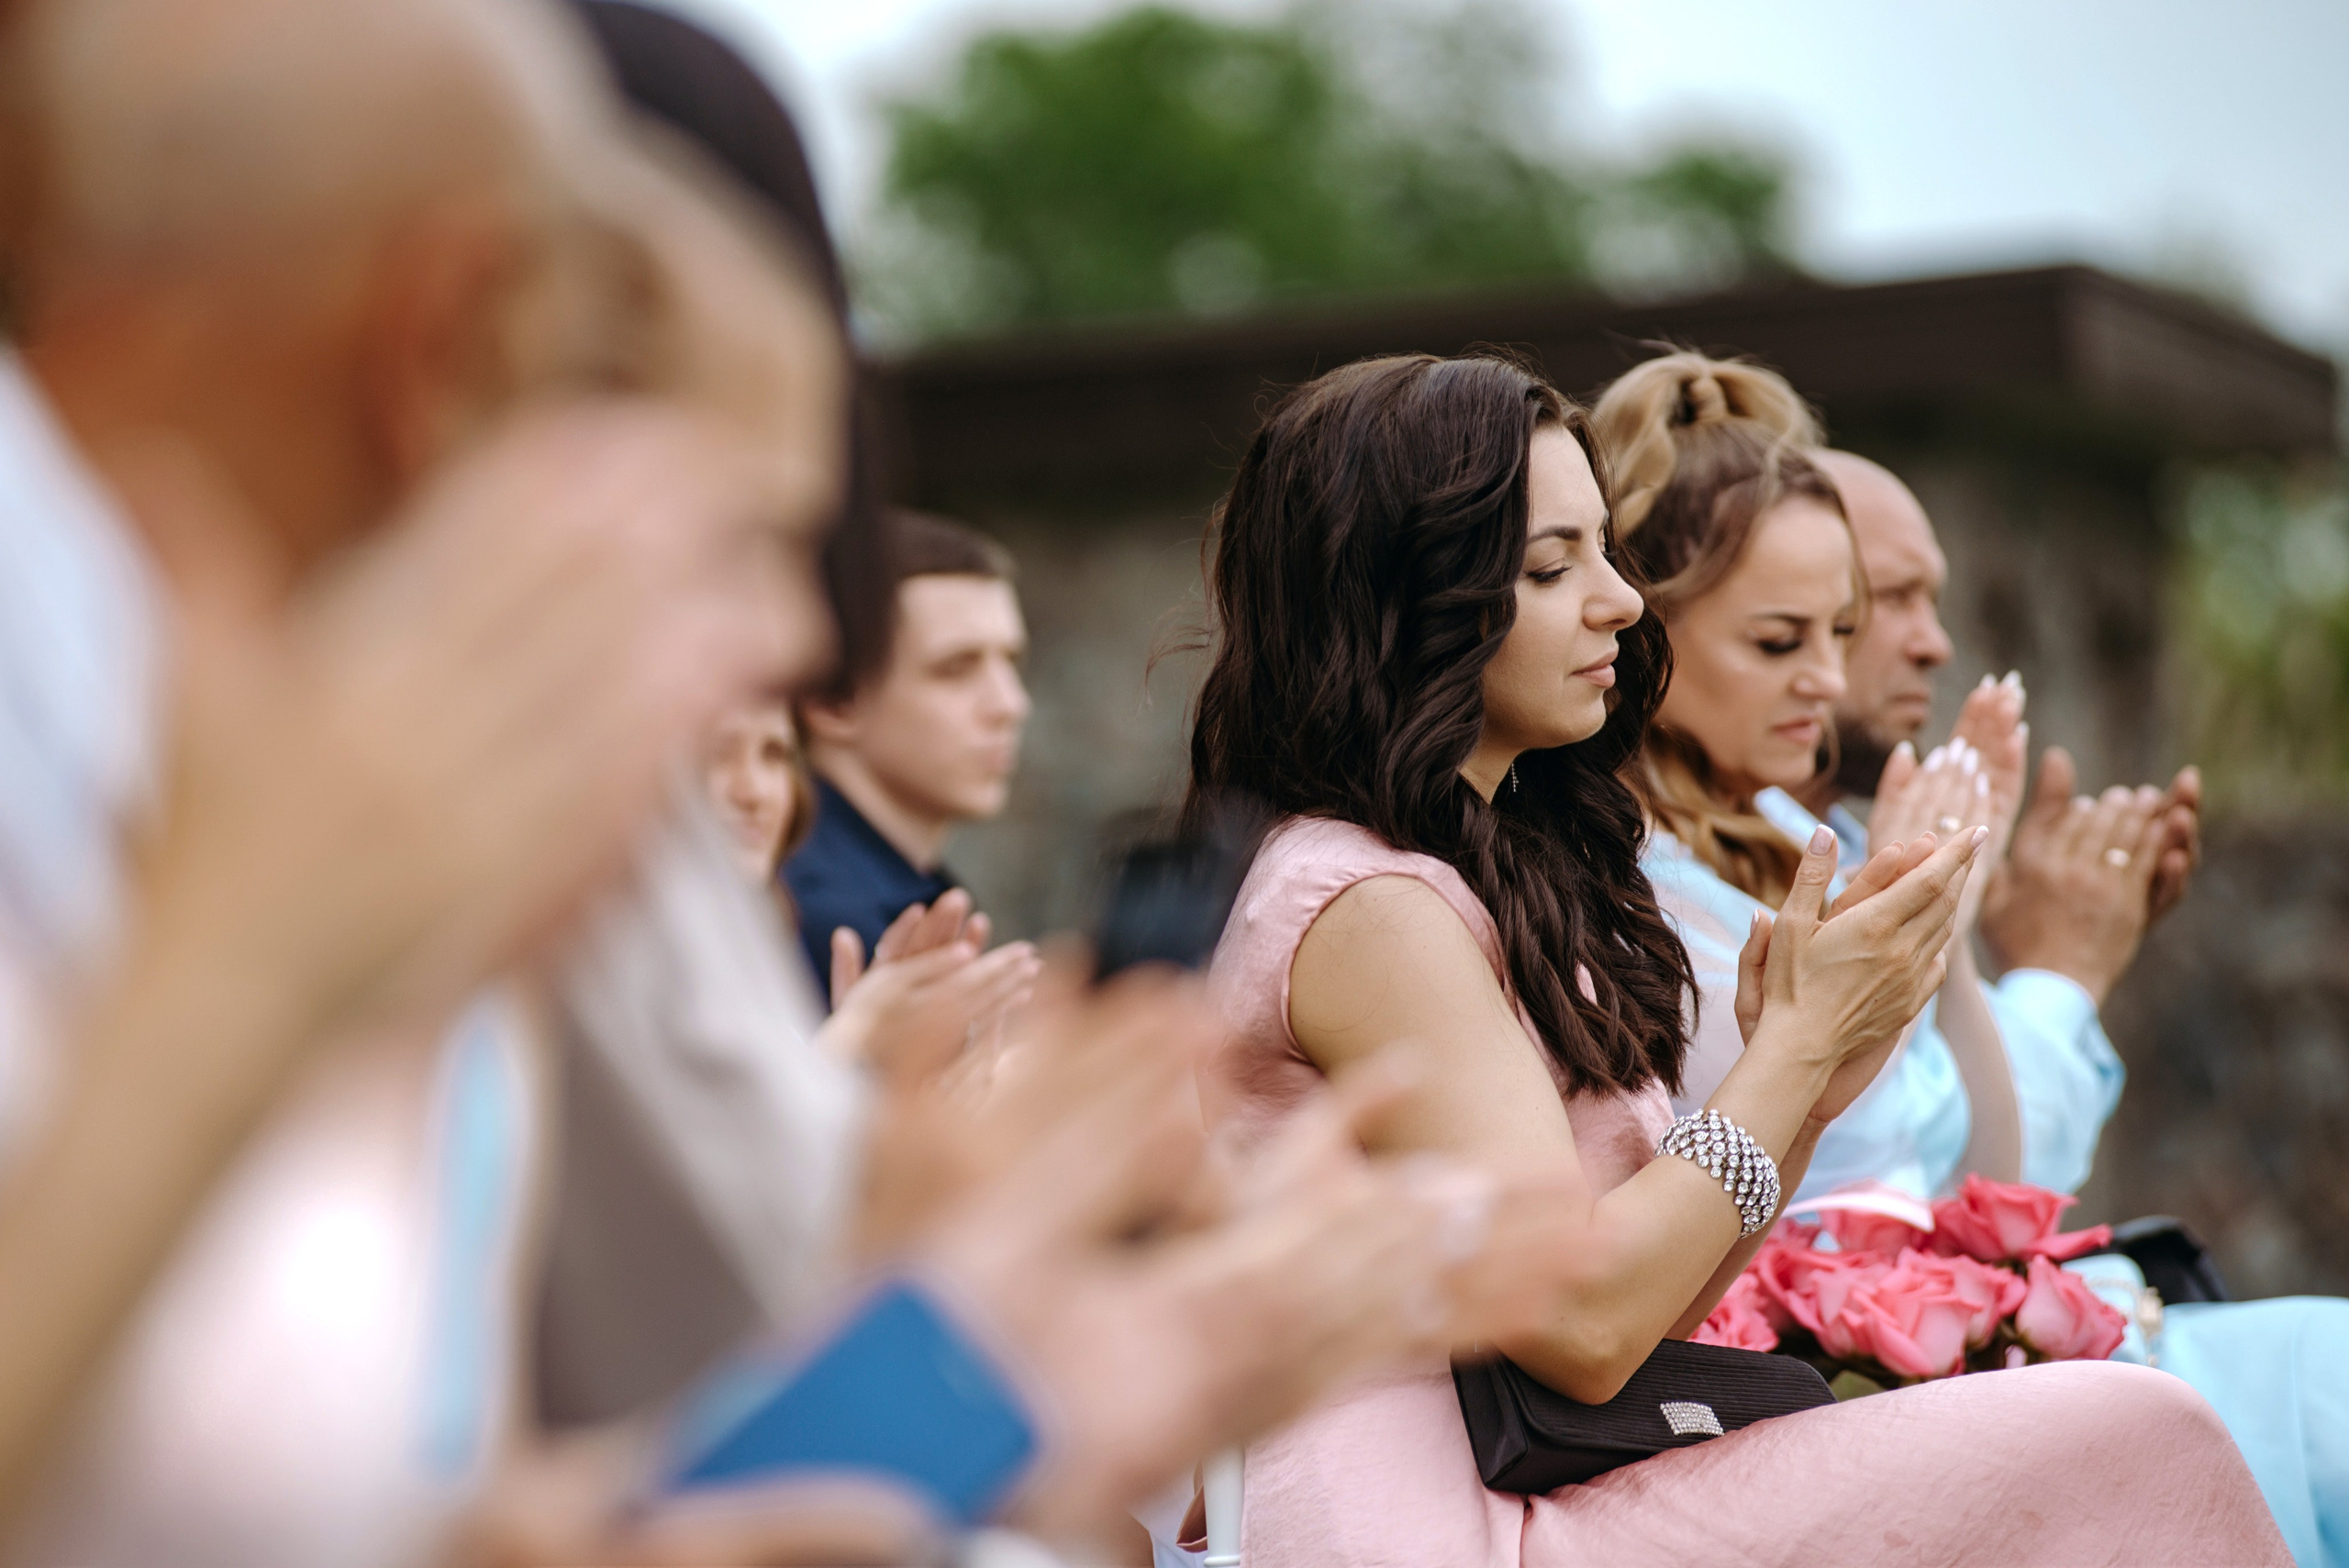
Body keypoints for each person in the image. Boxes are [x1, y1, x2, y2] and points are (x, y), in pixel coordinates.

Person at [1184, 348, 2282, 1565]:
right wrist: (1797, 1047)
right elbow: (1589, 1324)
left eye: (1605, 549)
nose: (1620, 601)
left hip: (1552, 1474)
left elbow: (1658, 1303)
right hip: (1435, 1525)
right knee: (2136, 1426)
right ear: (1402, 601)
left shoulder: (1484, 867)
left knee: (2132, 1432)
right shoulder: (1364, 900)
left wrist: (1812, 1077)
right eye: (1554, 566)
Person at [1709, 413, 2349, 1568]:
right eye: (1873, 607)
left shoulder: (1822, 835)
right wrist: (2048, 966)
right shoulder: (1696, 884)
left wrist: (1958, 924)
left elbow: (1988, 1182)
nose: (1928, 644)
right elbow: (1958, 1170)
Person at [788, 511, 1030, 990]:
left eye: (1011, 662)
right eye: (957, 668)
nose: (1011, 704)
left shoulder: (904, 890)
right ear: (831, 699)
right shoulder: (826, 919)